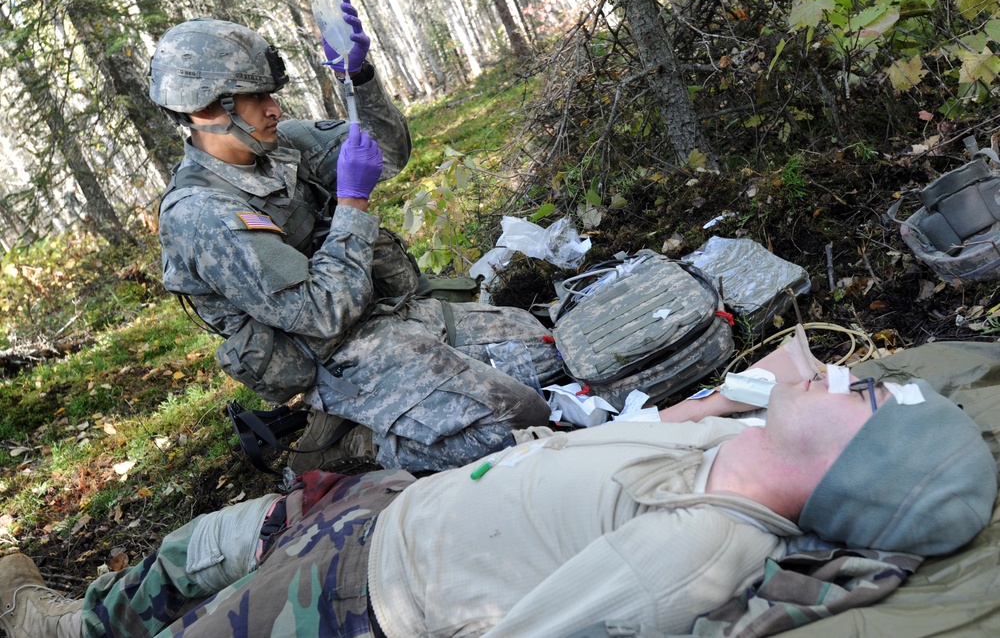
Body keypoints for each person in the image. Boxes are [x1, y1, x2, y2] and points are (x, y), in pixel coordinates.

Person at [1, 367, 994, 637]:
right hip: (396, 508)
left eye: (862, 395)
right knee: (196, 549)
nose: (842, 372)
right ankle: (60, 621)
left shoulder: (689, 557)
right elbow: (780, 383)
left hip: (364, 591)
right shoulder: (736, 442)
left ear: (851, 473)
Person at [148, 0, 562, 474]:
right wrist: (351, 203)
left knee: (544, 353)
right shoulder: (203, 215)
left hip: (387, 311)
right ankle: (349, 446)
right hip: (335, 355)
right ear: (205, 109)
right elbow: (321, 315)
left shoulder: (278, 146)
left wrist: (359, 78)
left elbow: (386, 154)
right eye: (256, 98)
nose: (273, 109)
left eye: (271, 94)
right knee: (513, 426)